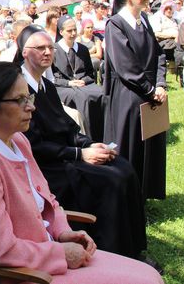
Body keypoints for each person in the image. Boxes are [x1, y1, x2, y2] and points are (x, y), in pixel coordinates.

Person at [0, 61, 162, 284]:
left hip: (45, 255)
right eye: (20, 100)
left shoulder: (17, 140)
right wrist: (60, 253)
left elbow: (48, 200)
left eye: (29, 97)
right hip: (21, 274)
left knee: (149, 276)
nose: (31, 107)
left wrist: (63, 232)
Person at [17, 25, 149, 260]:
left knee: (124, 167)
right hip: (48, 164)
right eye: (40, 48)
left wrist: (89, 144)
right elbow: (33, 145)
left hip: (65, 152)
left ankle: (135, 247)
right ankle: (116, 253)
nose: (48, 52)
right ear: (24, 52)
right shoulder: (20, 89)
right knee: (111, 180)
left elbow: (66, 125)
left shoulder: (45, 84)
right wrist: (79, 154)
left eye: (50, 47)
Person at [104, 0, 168, 200]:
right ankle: (128, 199)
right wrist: (150, 90)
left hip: (151, 94)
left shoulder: (145, 21)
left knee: (150, 147)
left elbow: (159, 55)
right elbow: (125, 66)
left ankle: (144, 194)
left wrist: (160, 84)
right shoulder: (116, 25)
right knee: (130, 149)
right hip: (129, 98)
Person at [52, 16, 106, 142]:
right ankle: (87, 139)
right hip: (63, 87)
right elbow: (52, 77)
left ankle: (104, 135)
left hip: (84, 83)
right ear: (61, 32)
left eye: (75, 30)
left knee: (103, 93)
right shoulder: (54, 50)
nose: (73, 33)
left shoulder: (82, 49)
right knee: (83, 98)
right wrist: (69, 82)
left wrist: (83, 81)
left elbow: (89, 73)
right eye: (69, 31)